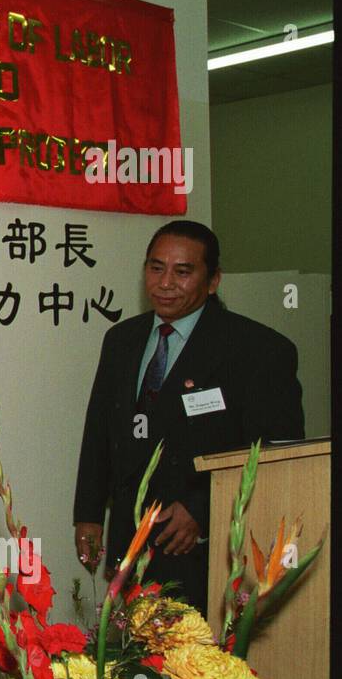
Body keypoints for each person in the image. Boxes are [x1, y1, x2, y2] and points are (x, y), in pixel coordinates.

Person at [73, 220, 304, 614]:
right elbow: (99, 429)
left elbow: (274, 455)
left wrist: (203, 508)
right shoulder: (121, 340)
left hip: (204, 551)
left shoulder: (258, 350)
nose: (165, 283)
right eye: (155, 267)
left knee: (197, 668)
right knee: (130, 661)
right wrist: (89, 514)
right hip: (130, 541)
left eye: (183, 272)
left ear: (213, 280)